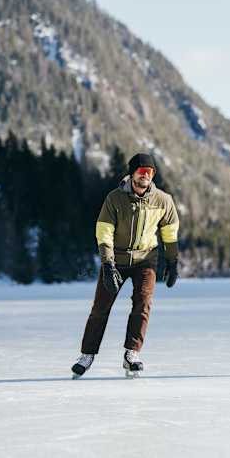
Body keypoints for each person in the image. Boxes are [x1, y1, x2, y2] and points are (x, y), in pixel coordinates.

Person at [71, 153, 179, 379]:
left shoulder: (163, 200)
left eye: (149, 173)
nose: (145, 177)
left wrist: (172, 260)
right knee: (101, 306)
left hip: (146, 259)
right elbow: (104, 231)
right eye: (141, 172)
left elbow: (169, 232)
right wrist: (108, 264)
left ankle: (132, 353)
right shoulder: (114, 199)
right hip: (117, 260)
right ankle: (87, 355)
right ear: (132, 174)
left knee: (143, 302)